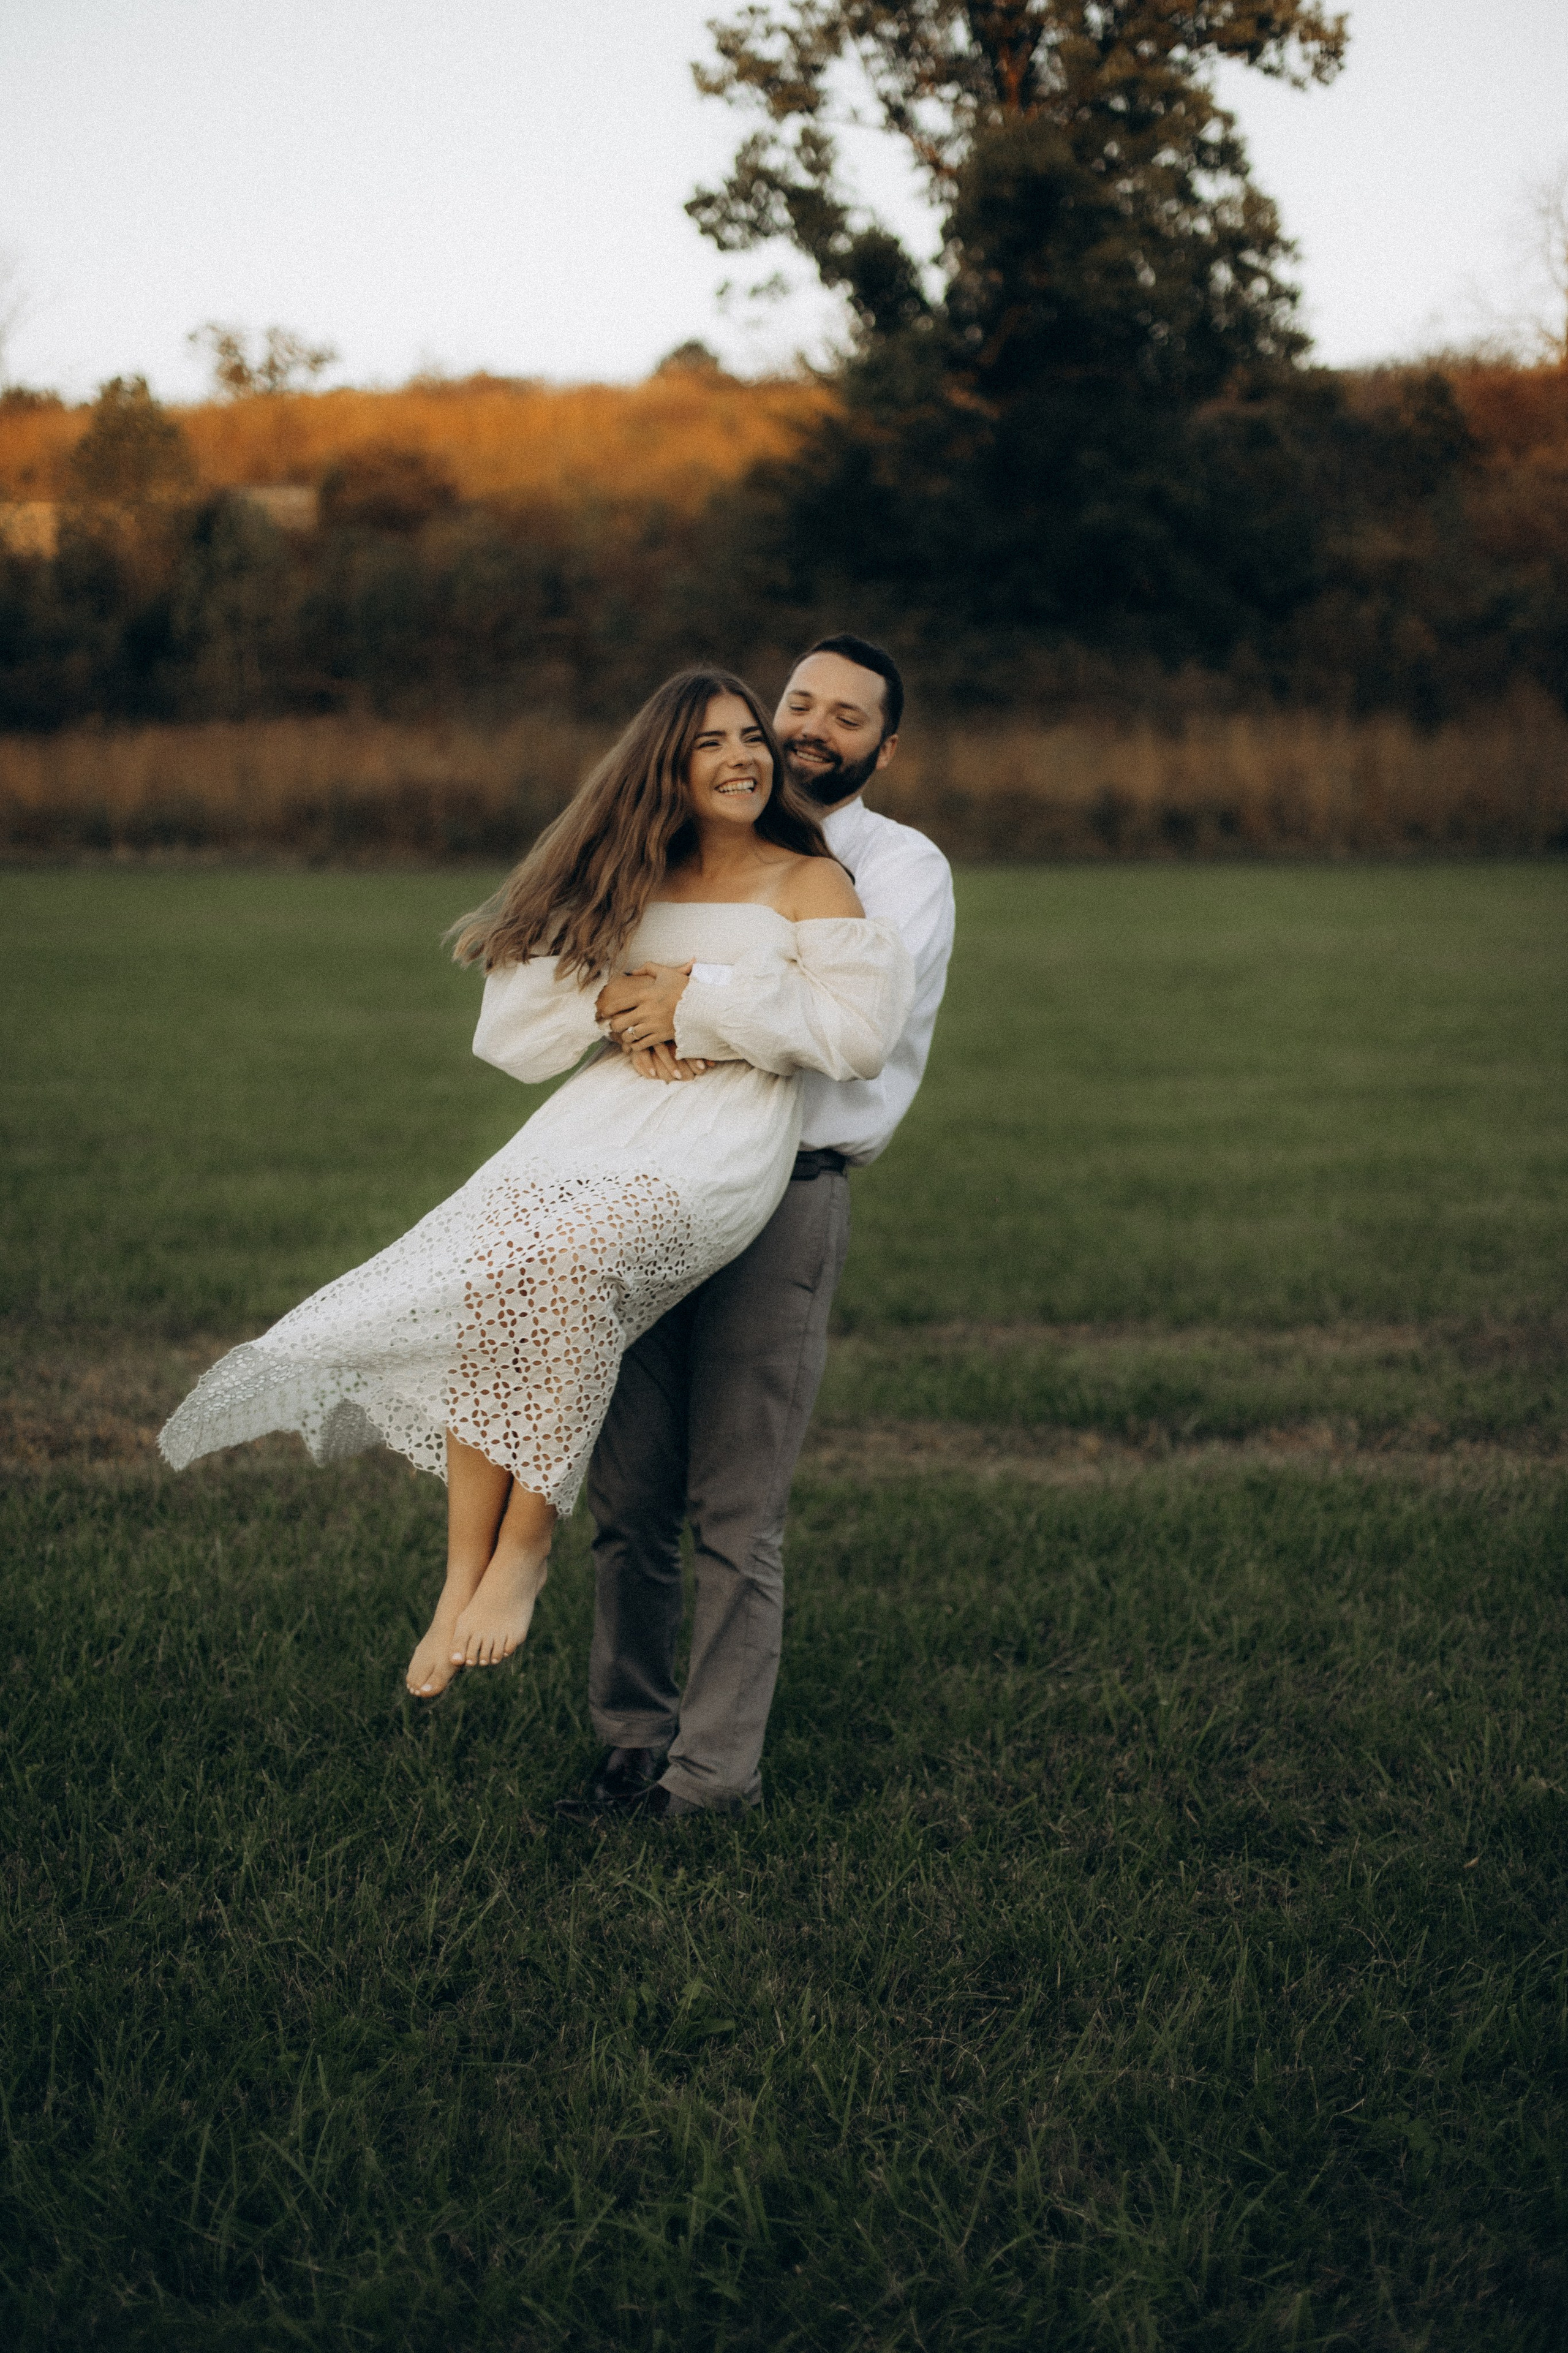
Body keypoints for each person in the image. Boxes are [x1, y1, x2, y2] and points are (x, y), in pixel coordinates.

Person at [158, 669, 915, 1704]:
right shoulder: (632, 879)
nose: (743, 757)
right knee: (495, 1271)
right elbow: (508, 1032)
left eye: (751, 736)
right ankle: (459, 1578)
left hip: (723, 1141)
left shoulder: (810, 879)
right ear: (664, 767)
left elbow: (858, 1035)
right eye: (710, 744)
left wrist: (695, 999)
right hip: (595, 1125)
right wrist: (616, 1003)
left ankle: (524, 1549)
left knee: (562, 1264)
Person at [559, 635, 955, 1822]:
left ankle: (710, 1784)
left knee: (737, 1508)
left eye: (846, 717)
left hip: (785, 1194)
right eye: (795, 702)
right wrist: (640, 1002)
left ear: (885, 747)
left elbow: (845, 1025)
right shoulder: (687, 843)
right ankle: (628, 1745)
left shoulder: (899, 870)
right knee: (629, 1500)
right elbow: (598, 979)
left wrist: (687, 996)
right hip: (645, 1186)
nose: (808, 728)